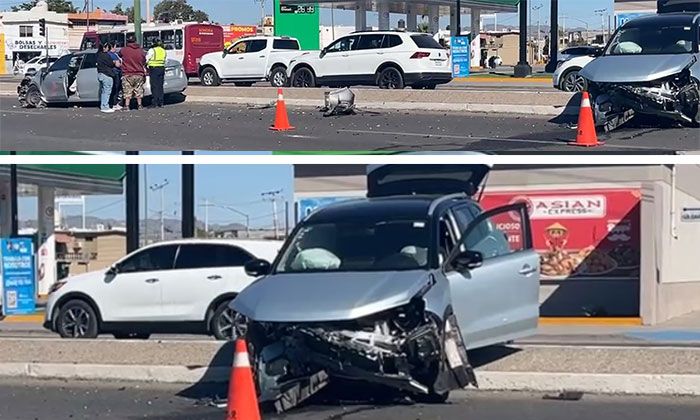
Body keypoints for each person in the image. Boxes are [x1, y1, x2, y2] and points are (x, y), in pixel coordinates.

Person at [119, 35, 147, 110]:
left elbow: (119, 55)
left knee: (127, 90)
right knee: (139, 90)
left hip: (127, 73)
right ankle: (140, 105)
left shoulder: (124, 50)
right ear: (135, 41)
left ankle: (127, 106)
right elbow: (144, 61)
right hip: (139, 73)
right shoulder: (140, 51)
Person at [146, 38, 167, 108]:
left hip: (154, 69)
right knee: (160, 86)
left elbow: (147, 59)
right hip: (162, 68)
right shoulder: (163, 50)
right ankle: (161, 102)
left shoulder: (152, 50)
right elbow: (165, 60)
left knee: (154, 86)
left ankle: (155, 102)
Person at [96, 43, 116, 113]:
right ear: (105, 47)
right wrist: (114, 62)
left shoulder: (99, 55)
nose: (108, 48)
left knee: (104, 91)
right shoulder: (105, 55)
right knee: (107, 91)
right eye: (108, 47)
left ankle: (103, 105)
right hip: (106, 74)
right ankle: (105, 106)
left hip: (100, 74)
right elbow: (111, 64)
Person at [108, 43, 123, 111]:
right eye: (115, 47)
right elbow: (118, 65)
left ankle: (112, 103)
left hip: (112, 73)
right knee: (115, 88)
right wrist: (121, 64)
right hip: (115, 73)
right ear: (112, 47)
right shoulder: (113, 55)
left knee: (113, 88)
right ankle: (114, 103)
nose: (116, 48)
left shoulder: (110, 54)